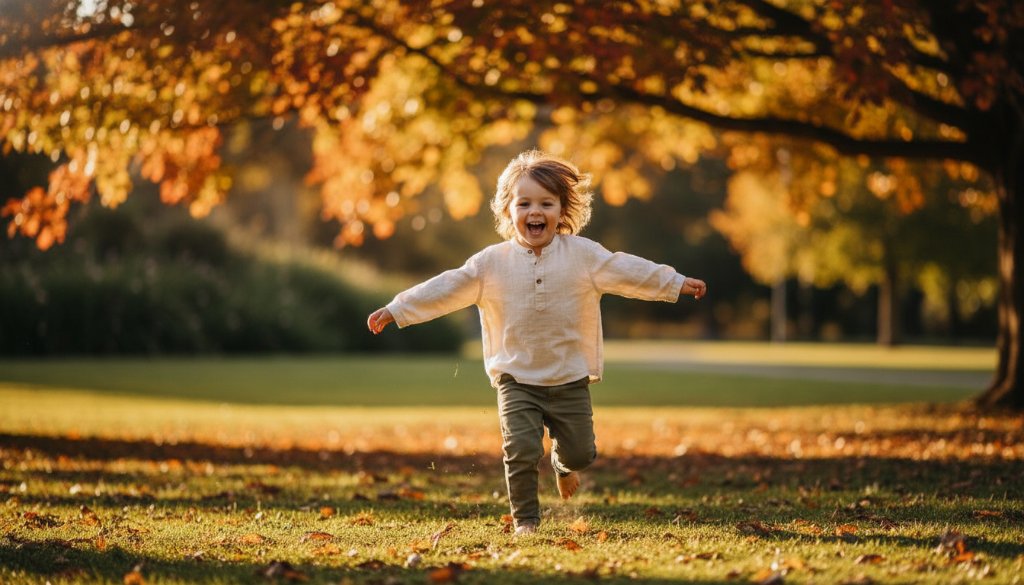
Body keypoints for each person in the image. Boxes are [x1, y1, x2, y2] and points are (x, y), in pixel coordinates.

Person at [367, 150, 707, 535]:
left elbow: (628, 270)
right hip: (516, 379)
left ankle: (562, 465)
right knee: (522, 450)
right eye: (524, 203)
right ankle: (526, 521)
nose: (535, 211)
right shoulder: (490, 263)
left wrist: (675, 283)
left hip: (569, 378)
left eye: (546, 203)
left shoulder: (583, 255)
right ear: (508, 210)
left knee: (581, 453)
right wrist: (397, 309)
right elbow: (446, 286)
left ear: (562, 210)